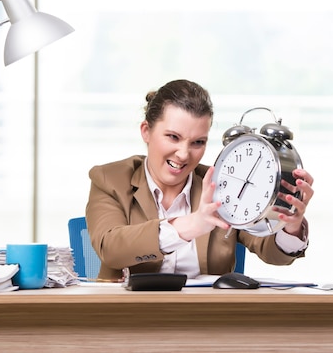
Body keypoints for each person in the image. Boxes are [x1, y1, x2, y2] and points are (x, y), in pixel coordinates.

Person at [85, 79, 314, 281]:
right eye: (173, 137)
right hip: (129, 319)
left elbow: (271, 252)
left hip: (207, 320)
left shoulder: (221, 184)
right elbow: (111, 248)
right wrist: (193, 224)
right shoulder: (110, 179)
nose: (184, 154)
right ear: (146, 131)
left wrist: (290, 226)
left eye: (198, 142)